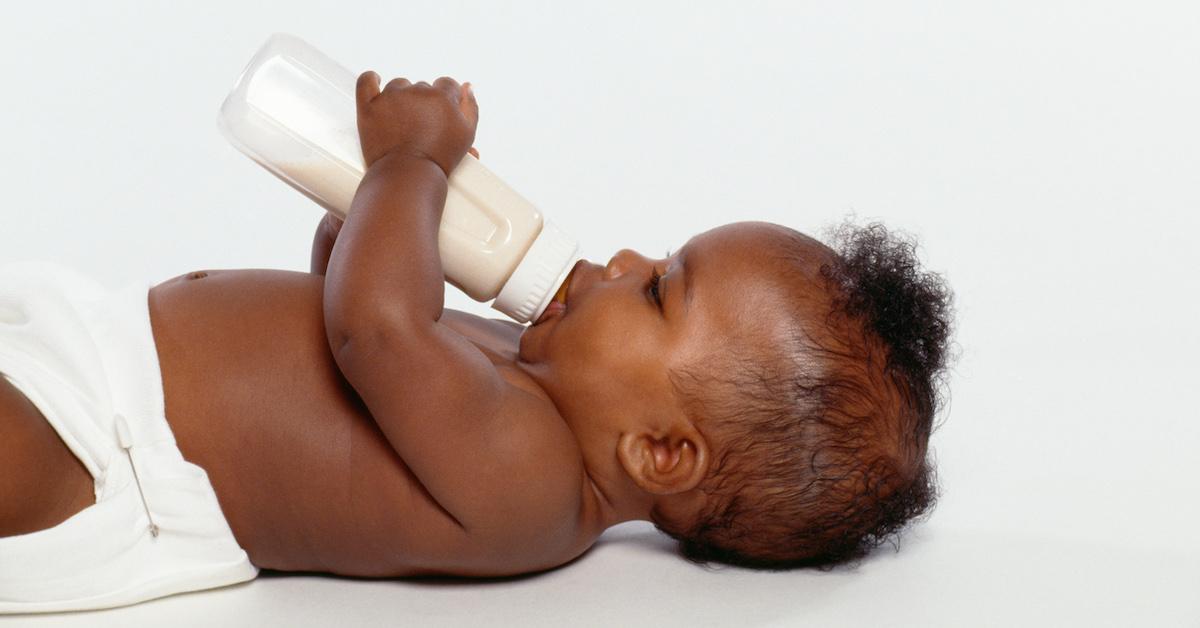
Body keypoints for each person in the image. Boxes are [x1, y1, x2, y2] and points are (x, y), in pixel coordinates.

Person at [0, 72, 954, 613]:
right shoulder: (527, 366)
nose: (622, 258)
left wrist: (411, 166)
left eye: (660, 288)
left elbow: (373, 331)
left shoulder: (529, 481)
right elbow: (349, 312)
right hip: (91, 355)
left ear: (661, 452)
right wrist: (381, 213)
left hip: (107, 460)